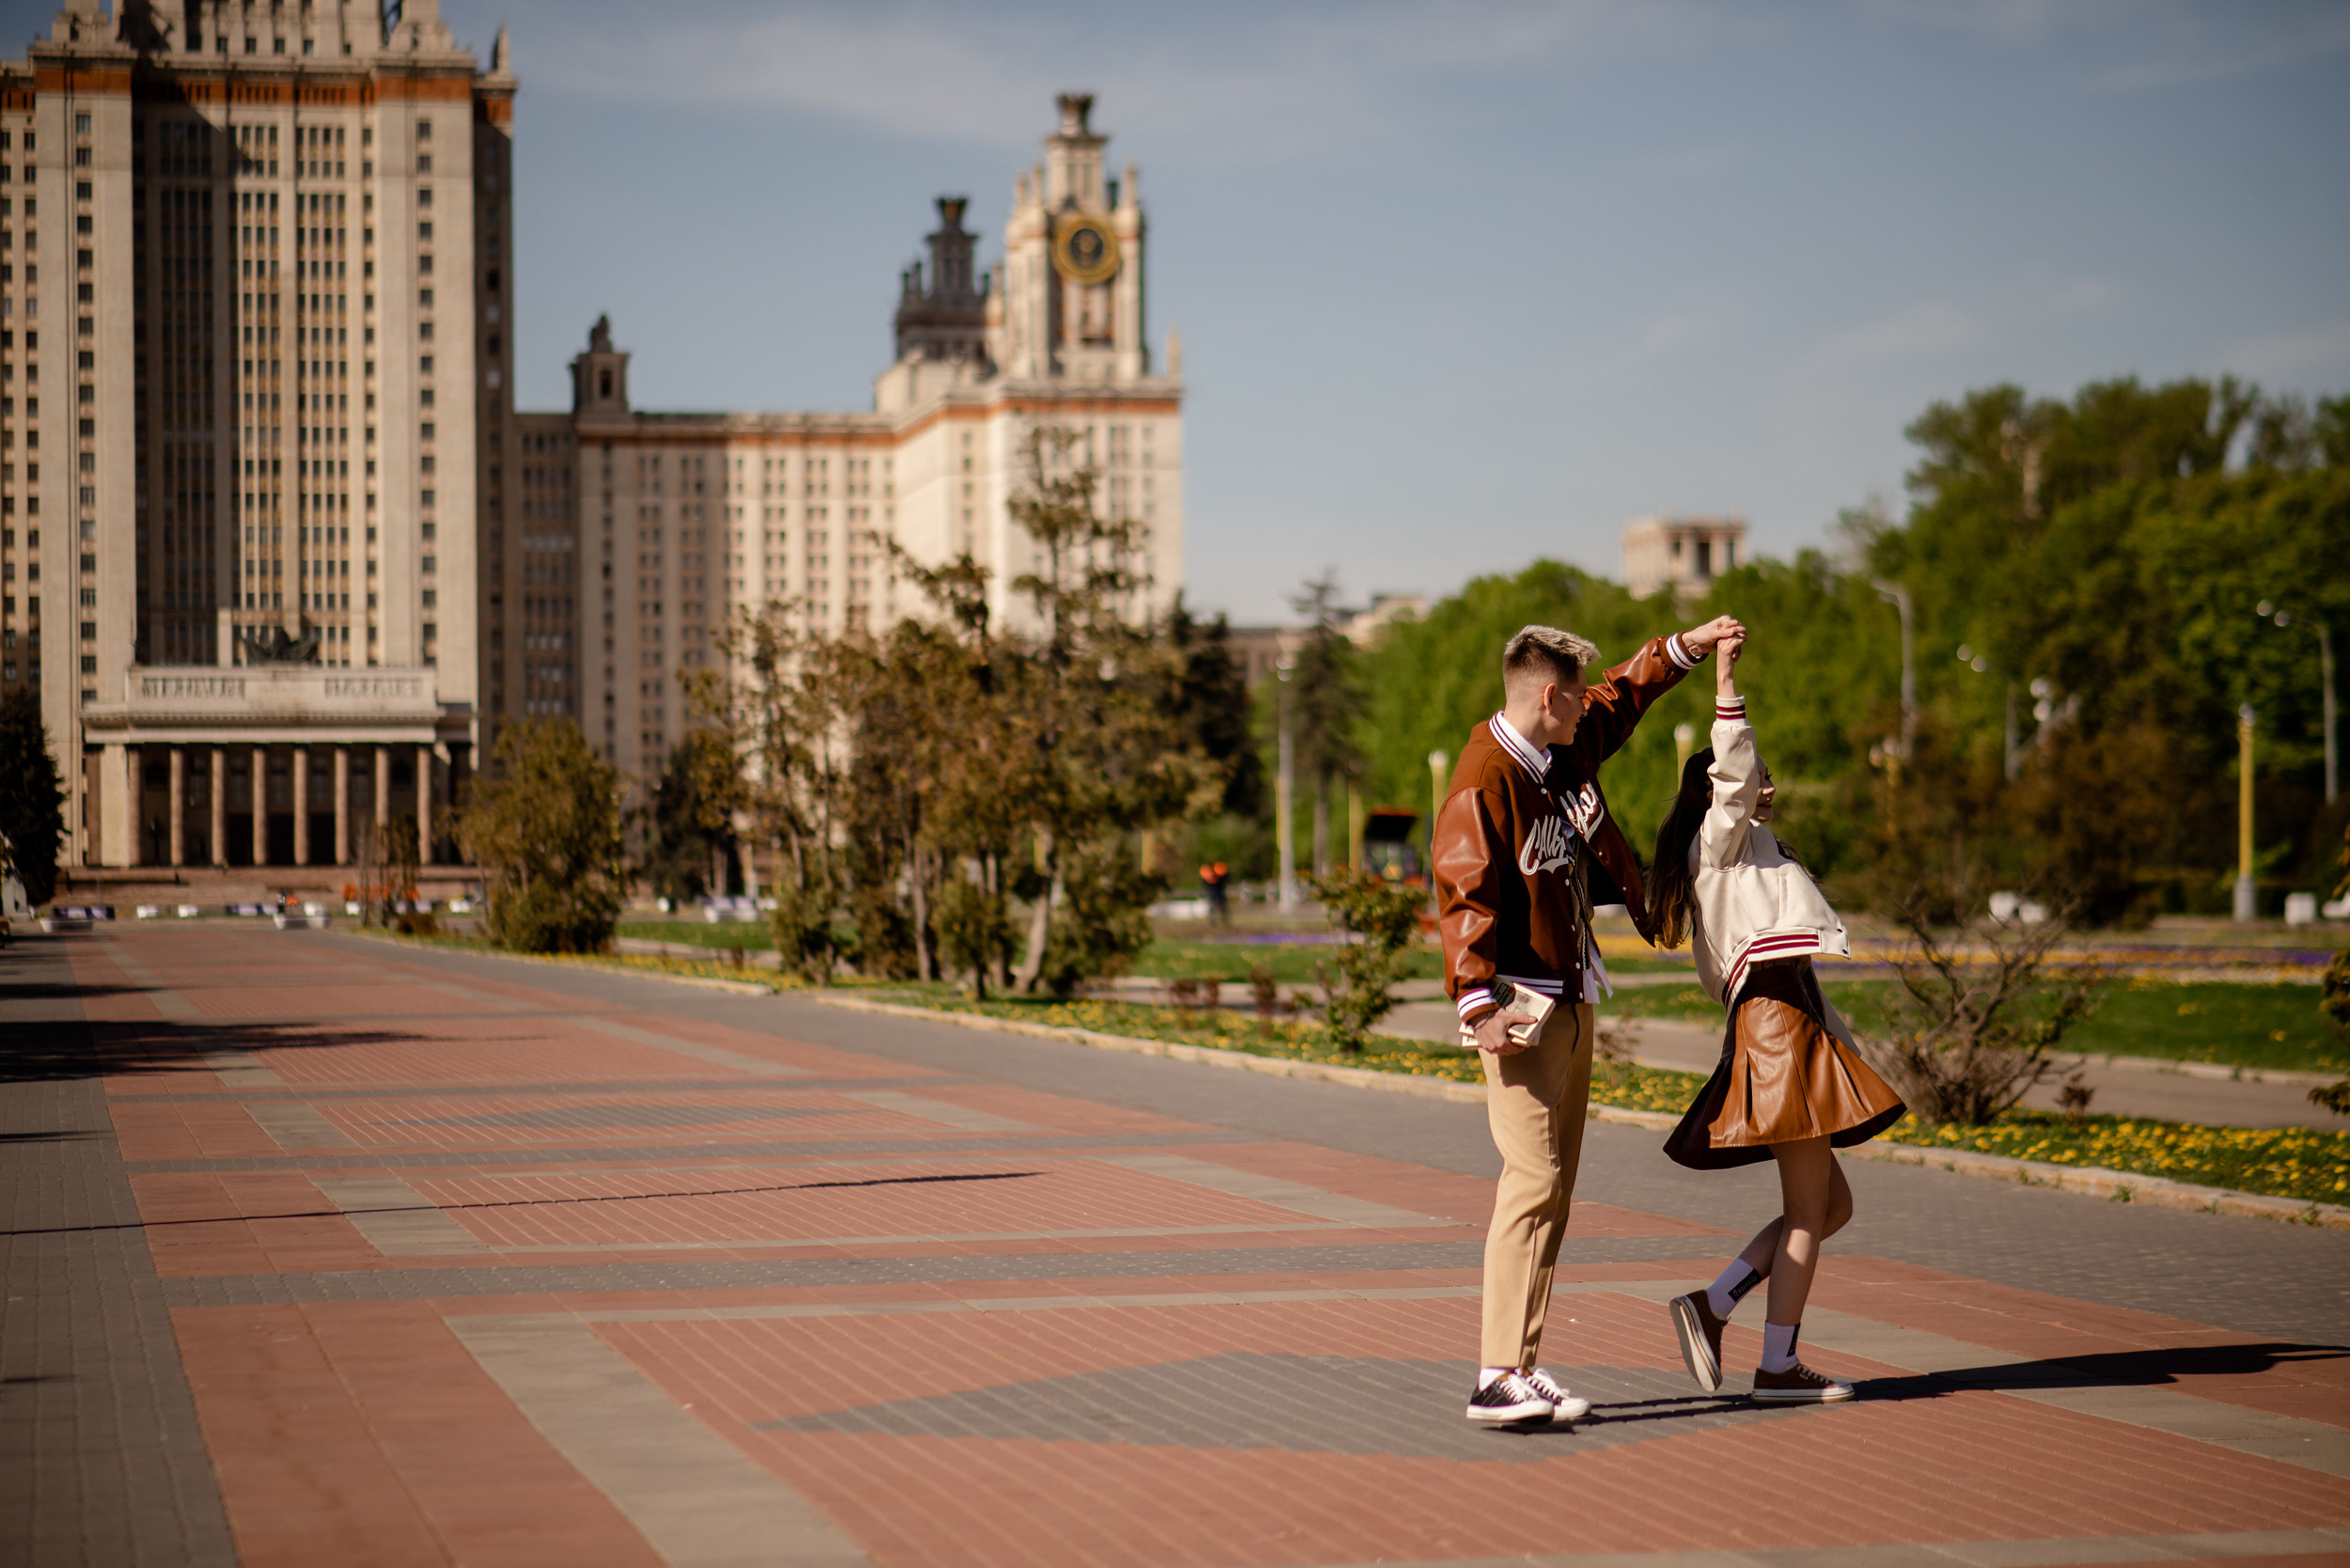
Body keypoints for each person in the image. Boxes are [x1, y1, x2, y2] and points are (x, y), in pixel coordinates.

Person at [1435, 615, 1742, 1425]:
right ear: (1546, 695)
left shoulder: (1557, 752)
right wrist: (1476, 999)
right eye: (1575, 698)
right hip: (1521, 1007)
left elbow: (1623, 697)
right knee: (1530, 1183)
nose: (1588, 711)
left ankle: (1521, 1365)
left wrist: (1685, 649)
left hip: (1571, 994)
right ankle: (1496, 1371)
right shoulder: (1484, 776)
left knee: (1556, 1192)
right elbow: (1461, 889)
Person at [1654, 632, 1905, 1403]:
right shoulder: (1719, 844)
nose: (1766, 783)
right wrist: (1725, 678)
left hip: (1795, 1022)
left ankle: (1716, 1303)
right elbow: (1729, 772)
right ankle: (1775, 1365)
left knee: (1832, 1205)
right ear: (1718, 794)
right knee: (1809, 1211)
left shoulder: (1756, 849)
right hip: (1777, 1028)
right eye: (1755, 776)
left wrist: (1841, 1043)